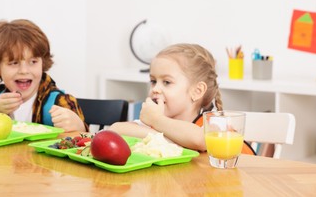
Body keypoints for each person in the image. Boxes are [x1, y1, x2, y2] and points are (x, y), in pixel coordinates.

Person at [109, 43, 255, 154]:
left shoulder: (212, 124)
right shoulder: (155, 123)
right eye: (153, 81)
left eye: (167, 82)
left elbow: (199, 139)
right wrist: (162, 137)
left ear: (197, 91)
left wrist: (156, 121)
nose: (155, 89)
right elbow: (115, 129)